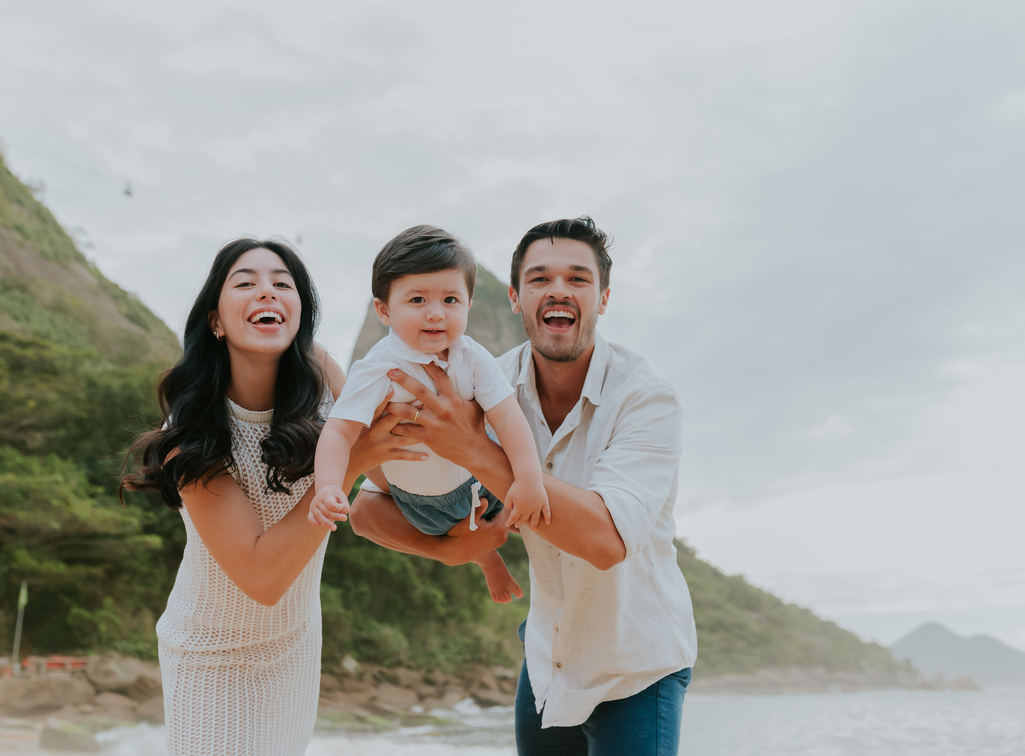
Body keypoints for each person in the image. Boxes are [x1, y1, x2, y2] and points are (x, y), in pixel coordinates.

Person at [349, 218, 697, 756]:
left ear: (603, 299)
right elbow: (368, 509)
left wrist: (471, 449)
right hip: (546, 658)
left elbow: (606, 542)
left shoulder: (645, 400)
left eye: (578, 279)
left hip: (635, 666)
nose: (558, 289)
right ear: (515, 297)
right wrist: (445, 548)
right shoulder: (473, 377)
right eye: (540, 279)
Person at [121, 238, 414, 756]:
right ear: (216, 320)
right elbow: (261, 577)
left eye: (283, 284)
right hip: (208, 655)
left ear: (299, 311)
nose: (268, 292)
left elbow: (387, 478)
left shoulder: (323, 381)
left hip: (293, 647)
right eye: (246, 282)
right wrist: (352, 462)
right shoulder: (189, 433)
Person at [308, 225, 550, 603]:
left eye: (450, 300)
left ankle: (529, 567)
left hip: (484, 479)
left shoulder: (471, 357)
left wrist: (529, 479)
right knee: (463, 534)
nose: (436, 314)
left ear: (469, 305)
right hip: (421, 505)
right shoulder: (377, 368)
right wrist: (327, 486)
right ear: (384, 310)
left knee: (537, 511)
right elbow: (338, 432)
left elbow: (508, 418)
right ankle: (489, 563)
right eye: (418, 299)